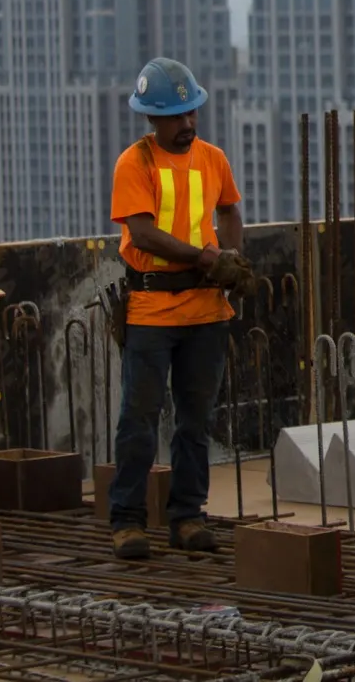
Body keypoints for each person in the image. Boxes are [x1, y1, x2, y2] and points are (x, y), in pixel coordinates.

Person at [108, 57, 251, 561]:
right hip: (152, 308)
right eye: (177, 116)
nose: (188, 124)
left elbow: (229, 209)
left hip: (206, 311)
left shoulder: (213, 159)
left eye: (192, 113)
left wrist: (230, 260)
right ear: (153, 119)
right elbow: (142, 231)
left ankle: (187, 515)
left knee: (197, 419)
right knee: (139, 418)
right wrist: (207, 257)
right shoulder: (136, 163)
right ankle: (127, 519)